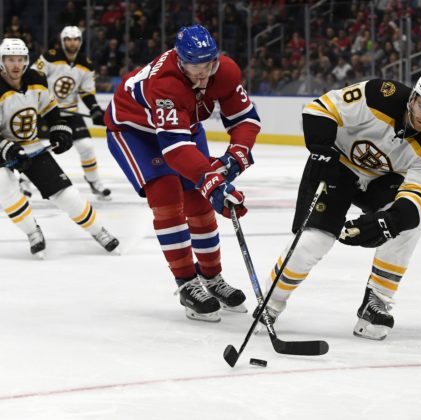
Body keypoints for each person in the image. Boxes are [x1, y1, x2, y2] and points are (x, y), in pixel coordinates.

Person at [259, 69, 421, 340]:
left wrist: (388, 222)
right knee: (314, 240)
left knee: (410, 225)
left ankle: (377, 300)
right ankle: (271, 301)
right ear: (412, 97)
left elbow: (418, 198)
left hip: (382, 181)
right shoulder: (380, 95)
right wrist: (321, 149)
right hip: (336, 164)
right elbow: (321, 109)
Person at [104, 25, 261, 322]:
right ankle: (187, 283)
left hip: (182, 126)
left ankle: (212, 278)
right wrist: (211, 179)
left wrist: (238, 153)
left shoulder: (224, 72)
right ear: (179, 60)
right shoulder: (165, 83)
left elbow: (246, 119)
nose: (203, 74)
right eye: (194, 66)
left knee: (201, 202)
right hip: (133, 130)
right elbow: (175, 149)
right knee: (166, 194)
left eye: (208, 65)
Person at [0, 38, 119, 258]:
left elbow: (50, 109)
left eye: (19, 59)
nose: (15, 65)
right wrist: (9, 149)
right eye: (9, 60)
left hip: (30, 143)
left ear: (26, 61)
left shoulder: (36, 79)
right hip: (2, 148)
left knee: (66, 194)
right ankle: (32, 232)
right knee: (3, 186)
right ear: (1, 61)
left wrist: (60, 129)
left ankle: (97, 231)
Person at [31, 26, 112, 199]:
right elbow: (33, 76)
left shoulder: (86, 64)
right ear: (62, 41)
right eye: (68, 39)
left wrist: (95, 108)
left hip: (70, 114)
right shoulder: (49, 57)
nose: (72, 42)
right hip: (46, 112)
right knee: (33, 148)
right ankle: (23, 183)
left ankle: (94, 182)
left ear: (80, 41)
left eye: (75, 39)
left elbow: (86, 92)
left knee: (87, 146)